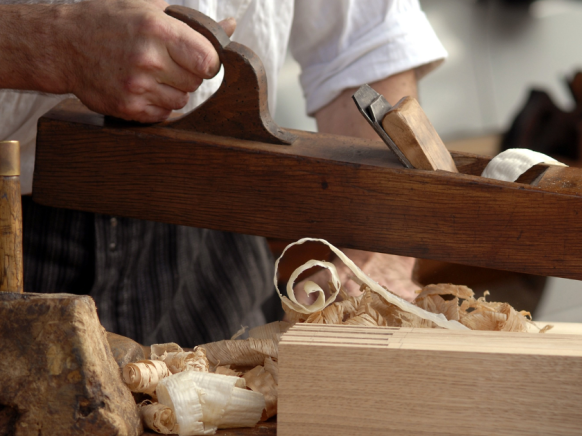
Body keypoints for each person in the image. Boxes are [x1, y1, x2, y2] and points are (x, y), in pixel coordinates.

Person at [0, 0, 447, 346]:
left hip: (215, 229)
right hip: (18, 229)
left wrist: (374, 246)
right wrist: (50, 41)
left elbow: (364, 46)